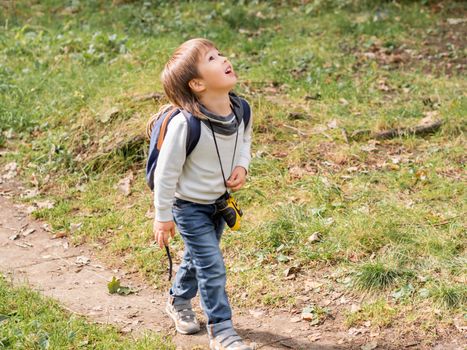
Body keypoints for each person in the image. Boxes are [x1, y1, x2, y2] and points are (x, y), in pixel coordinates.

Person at [148, 38, 253, 350]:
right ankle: (222, 331)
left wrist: (242, 166)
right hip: (188, 206)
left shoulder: (241, 109)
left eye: (219, 53)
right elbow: (166, 174)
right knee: (212, 265)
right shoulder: (185, 125)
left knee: (198, 258)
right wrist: (163, 217)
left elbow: (244, 140)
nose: (223, 59)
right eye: (211, 58)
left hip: (218, 203)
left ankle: (178, 299)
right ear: (196, 84)